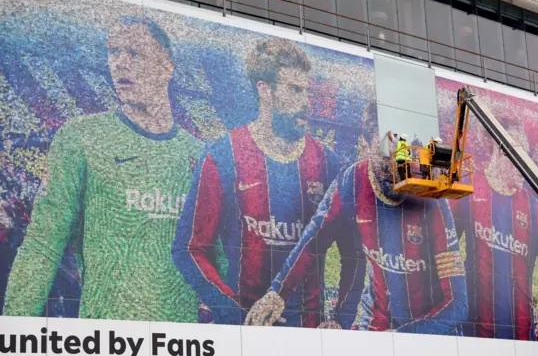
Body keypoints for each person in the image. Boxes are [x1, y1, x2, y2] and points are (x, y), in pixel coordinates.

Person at [3, 17, 206, 322]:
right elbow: (42, 246)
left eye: (134, 53)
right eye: (113, 52)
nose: (120, 63)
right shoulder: (80, 137)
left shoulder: (198, 154)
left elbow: (216, 256)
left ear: (167, 68)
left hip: (183, 340)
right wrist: (15, 328)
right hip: (106, 337)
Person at [173, 38, 356, 328]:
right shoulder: (224, 154)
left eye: (306, 91)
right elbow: (189, 248)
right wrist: (231, 313)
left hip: (309, 335)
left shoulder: (328, 163)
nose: (306, 103)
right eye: (294, 90)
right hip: (243, 331)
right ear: (265, 90)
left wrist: (340, 319)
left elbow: (353, 251)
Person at [244, 102, 468, 334]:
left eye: (405, 159)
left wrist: (405, 338)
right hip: (378, 325)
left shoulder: (431, 199)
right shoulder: (350, 182)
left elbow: (457, 304)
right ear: (364, 146)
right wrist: (277, 293)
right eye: (387, 157)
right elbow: (312, 242)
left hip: (428, 332)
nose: (397, 169)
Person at [446, 110, 538, 341]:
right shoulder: (470, 189)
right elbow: (445, 248)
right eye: (521, 158)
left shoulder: (534, 210)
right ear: (501, 153)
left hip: (521, 337)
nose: (525, 167)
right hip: (474, 332)